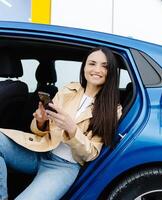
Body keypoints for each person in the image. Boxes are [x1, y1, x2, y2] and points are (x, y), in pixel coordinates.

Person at [0, 46, 122, 200]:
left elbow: (91, 153)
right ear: (84, 66)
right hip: (40, 150)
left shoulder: (113, 109)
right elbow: (44, 130)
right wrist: (41, 122)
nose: (97, 69)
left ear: (110, 71)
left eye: (104, 66)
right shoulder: (68, 90)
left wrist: (72, 130)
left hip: (63, 166)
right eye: (92, 63)